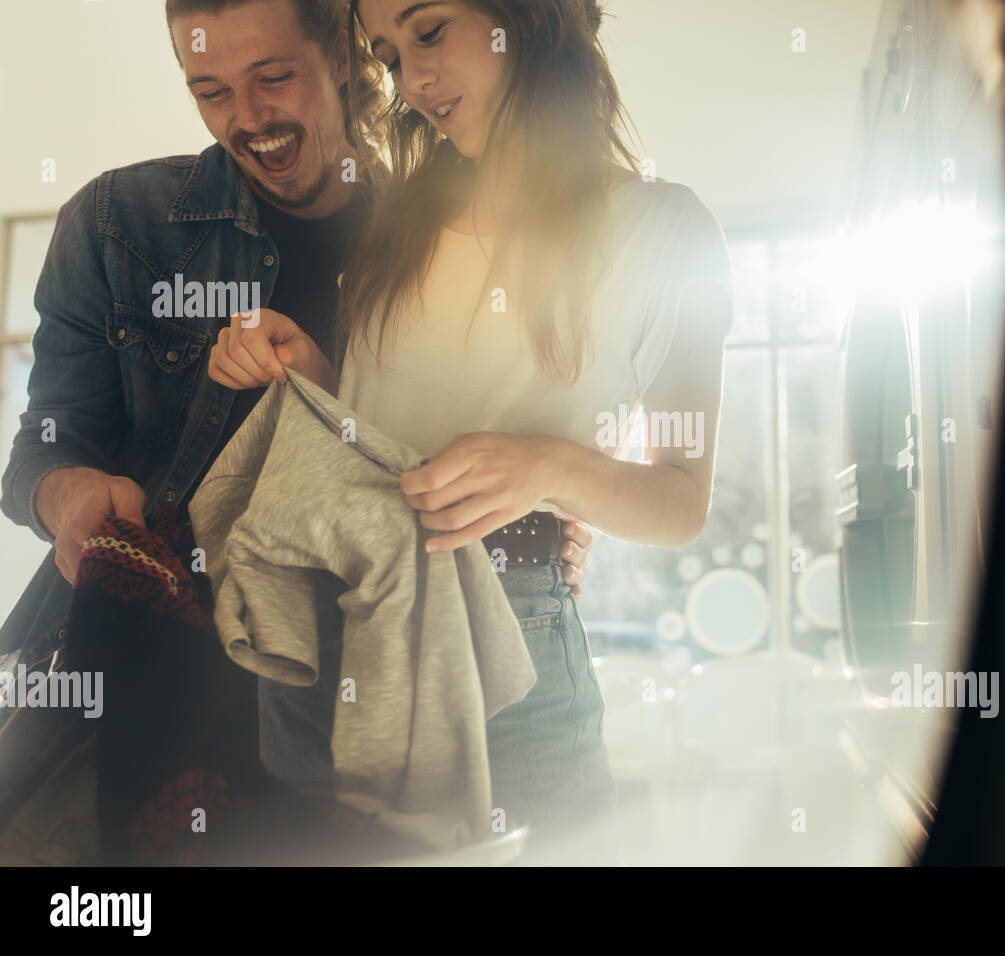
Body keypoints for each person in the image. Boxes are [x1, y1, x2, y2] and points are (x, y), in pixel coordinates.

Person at [0, 0, 591, 862]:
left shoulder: (438, 242)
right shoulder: (114, 226)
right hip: (144, 686)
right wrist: (74, 499)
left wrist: (544, 511)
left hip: (358, 701)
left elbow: (444, 459)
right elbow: (41, 450)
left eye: (273, 77)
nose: (249, 119)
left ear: (347, 56)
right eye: (209, 90)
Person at [208, 0, 733, 864]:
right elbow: (384, 433)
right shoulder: (392, 224)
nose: (412, 81)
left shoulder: (667, 231)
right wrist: (317, 378)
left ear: (526, 18)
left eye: (430, 32)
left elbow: (680, 502)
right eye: (388, 53)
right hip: (325, 610)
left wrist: (550, 469)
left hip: (508, 628)